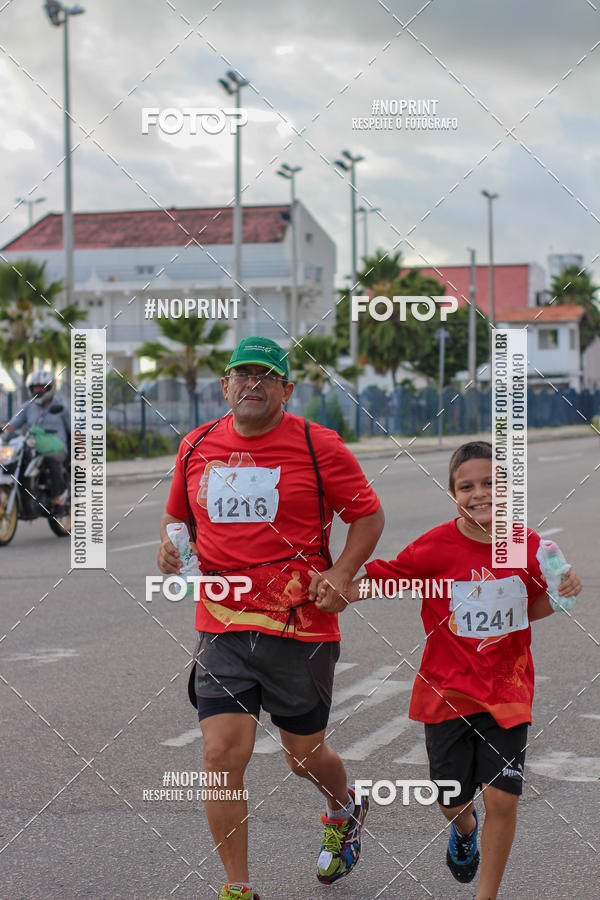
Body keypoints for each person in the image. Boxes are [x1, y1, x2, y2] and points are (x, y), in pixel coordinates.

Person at [157, 336, 384, 900]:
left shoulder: (318, 444)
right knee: (219, 754)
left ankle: (343, 805)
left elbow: (368, 516)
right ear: (226, 384)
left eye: (266, 375)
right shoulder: (196, 445)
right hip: (221, 626)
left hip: (298, 626)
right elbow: (177, 523)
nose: (252, 383)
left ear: (287, 388)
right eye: (242, 373)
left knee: (302, 757)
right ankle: (238, 886)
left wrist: (343, 573)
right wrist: (168, 550)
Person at [313, 440, 582, 900]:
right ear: (453, 493)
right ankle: (463, 828)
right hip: (447, 693)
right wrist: (343, 590)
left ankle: (486, 894)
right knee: (452, 798)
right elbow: (390, 575)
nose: (480, 493)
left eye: (491, 484)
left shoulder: (526, 546)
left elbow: (539, 602)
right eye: (466, 486)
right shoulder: (437, 546)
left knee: (502, 797)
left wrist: (564, 591)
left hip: (507, 692)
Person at [3, 371, 70, 516]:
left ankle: (58, 500)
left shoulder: (62, 408)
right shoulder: (28, 407)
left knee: (51, 460)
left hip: (56, 448)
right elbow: (13, 426)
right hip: (32, 447)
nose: (38, 390)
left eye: (42, 387)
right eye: (35, 388)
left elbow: (74, 432)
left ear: (50, 388)